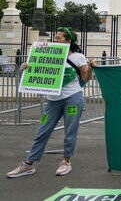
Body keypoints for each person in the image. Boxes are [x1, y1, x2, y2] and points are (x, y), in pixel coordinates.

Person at [7, 27, 95, 178]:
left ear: (69, 41)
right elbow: (35, 74)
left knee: (70, 131)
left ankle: (66, 161)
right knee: (42, 130)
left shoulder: (78, 57)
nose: (56, 40)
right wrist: (24, 69)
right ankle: (28, 164)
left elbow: (85, 79)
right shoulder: (45, 53)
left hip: (73, 98)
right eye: (55, 37)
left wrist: (90, 68)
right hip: (53, 100)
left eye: (60, 38)